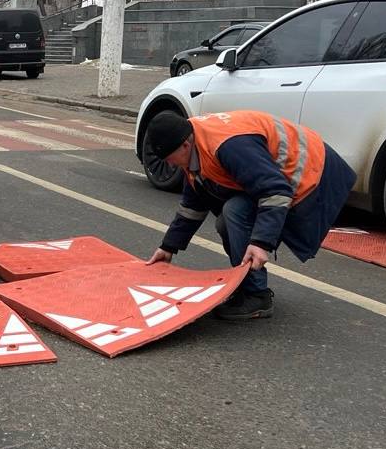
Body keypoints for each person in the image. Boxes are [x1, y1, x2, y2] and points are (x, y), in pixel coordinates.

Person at [146, 111, 356, 319]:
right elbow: (193, 205)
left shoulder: (228, 146)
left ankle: (257, 296)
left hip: (314, 171)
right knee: (227, 221)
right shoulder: (192, 143)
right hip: (279, 177)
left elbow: (275, 192)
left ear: (184, 145)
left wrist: (261, 242)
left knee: (234, 213)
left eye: (169, 158)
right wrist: (168, 247)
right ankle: (246, 286)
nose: (170, 165)